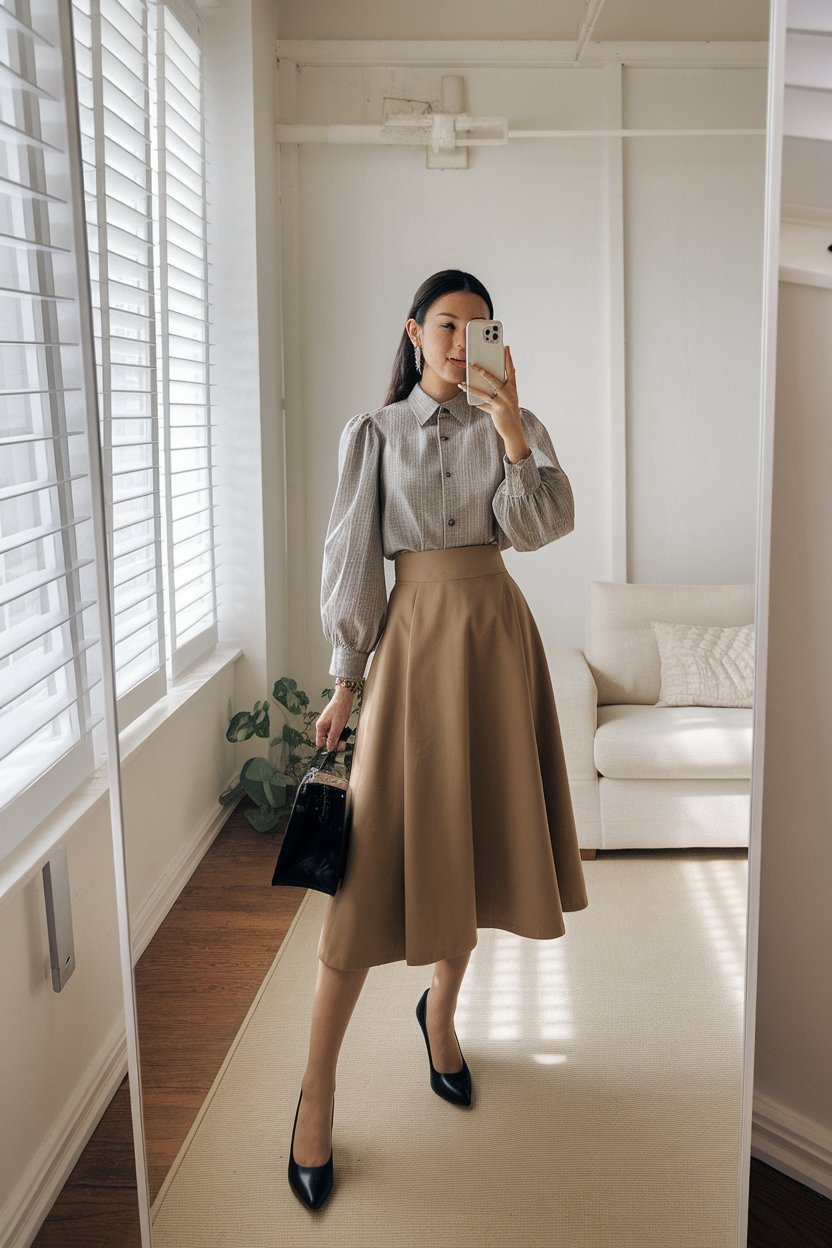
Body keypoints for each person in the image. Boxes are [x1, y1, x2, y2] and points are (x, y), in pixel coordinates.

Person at [287, 269, 589, 1211]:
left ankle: (443, 1018)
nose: (462, 343)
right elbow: (354, 568)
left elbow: (543, 528)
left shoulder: (520, 428)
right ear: (414, 332)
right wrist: (345, 684)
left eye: (479, 327)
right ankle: (316, 1091)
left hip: (495, 640)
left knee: (478, 846)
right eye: (447, 325)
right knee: (368, 878)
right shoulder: (372, 436)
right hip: (413, 650)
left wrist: (510, 429)